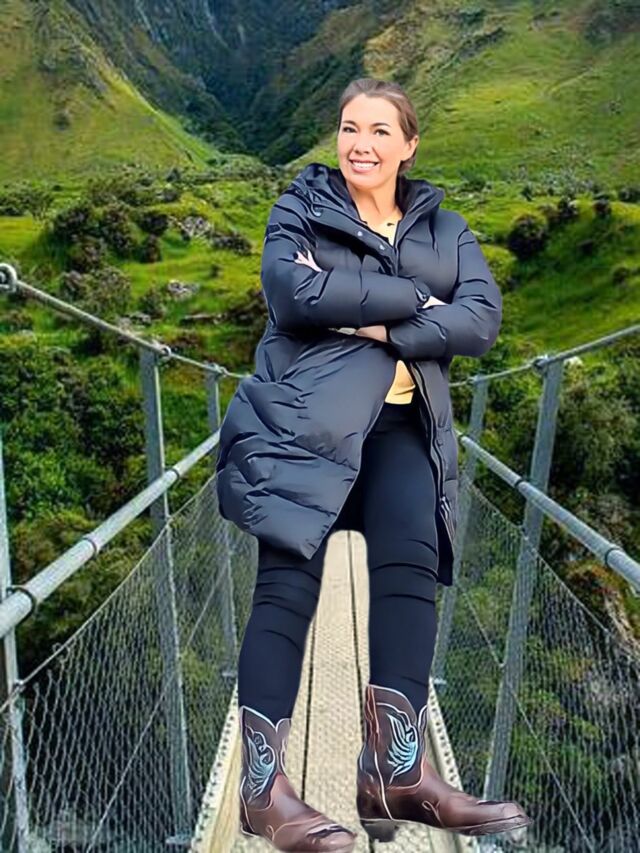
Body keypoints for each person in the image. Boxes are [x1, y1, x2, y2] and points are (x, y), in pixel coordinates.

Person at [216, 77, 532, 851]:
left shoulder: (447, 228)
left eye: (380, 130)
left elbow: (481, 320)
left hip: (404, 431)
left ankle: (394, 774)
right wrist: (414, 298)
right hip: (305, 425)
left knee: (410, 577)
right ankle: (262, 794)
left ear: (409, 144)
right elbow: (292, 295)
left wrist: (377, 324)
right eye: (350, 127)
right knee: (285, 593)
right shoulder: (301, 206)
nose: (361, 143)